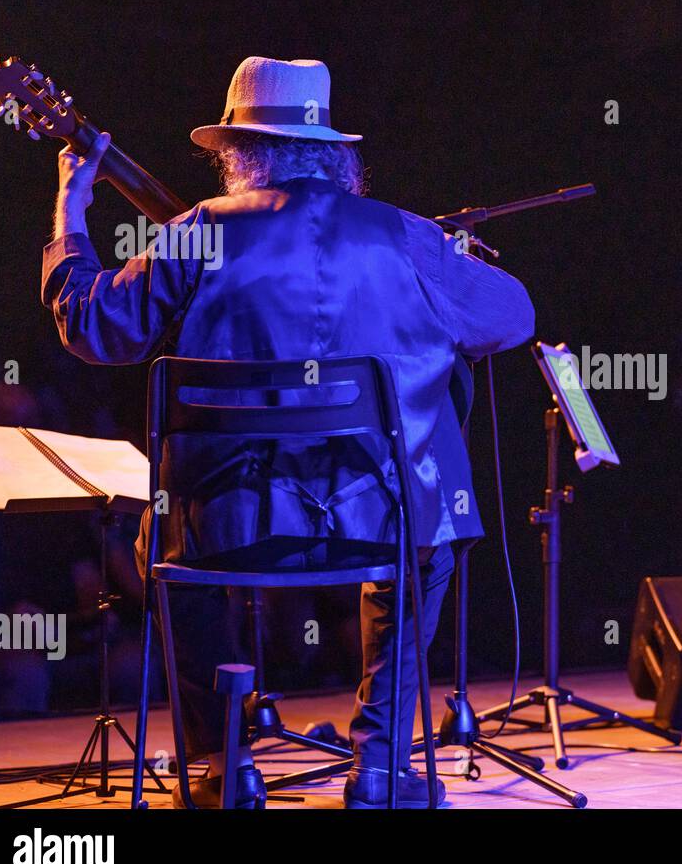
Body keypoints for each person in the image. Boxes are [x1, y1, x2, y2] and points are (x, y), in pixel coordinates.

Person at [42, 56, 534, 806]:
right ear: (336, 152)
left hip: (224, 531)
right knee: (427, 527)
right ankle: (378, 764)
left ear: (237, 154)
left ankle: (222, 764)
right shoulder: (401, 236)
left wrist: (70, 211)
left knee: (164, 542)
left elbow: (91, 325)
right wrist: (442, 268)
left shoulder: (198, 232)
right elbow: (511, 317)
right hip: (380, 527)